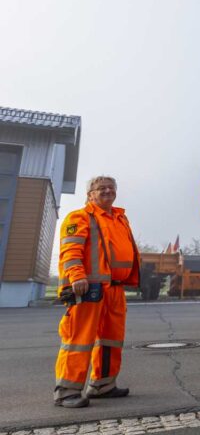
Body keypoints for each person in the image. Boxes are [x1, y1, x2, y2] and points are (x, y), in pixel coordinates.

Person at [53, 175, 139, 408]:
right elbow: (70, 250)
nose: (107, 191)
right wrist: (77, 277)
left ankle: (103, 385)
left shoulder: (119, 218)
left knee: (111, 340)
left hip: (114, 290)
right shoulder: (79, 217)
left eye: (111, 187)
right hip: (88, 289)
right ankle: (66, 391)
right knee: (78, 340)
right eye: (101, 188)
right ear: (90, 194)